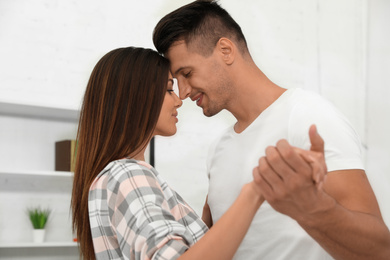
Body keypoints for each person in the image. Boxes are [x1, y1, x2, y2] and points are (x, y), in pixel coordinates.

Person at [153, 1, 390, 259]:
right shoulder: (218, 150)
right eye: (176, 81)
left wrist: (311, 208)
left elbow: (380, 250)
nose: (183, 91)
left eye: (187, 73)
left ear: (225, 50)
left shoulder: (307, 116)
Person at [72, 47, 321, 260]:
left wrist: (203, 229)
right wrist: (256, 190)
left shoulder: (111, 178)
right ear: (137, 96)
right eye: (170, 89)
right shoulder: (128, 175)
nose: (179, 99)